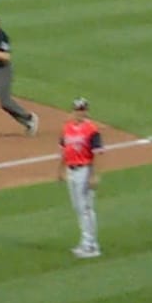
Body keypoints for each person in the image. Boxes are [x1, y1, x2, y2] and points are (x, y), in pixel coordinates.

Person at [58, 97, 102, 258]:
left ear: (87, 111)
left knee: (86, 209)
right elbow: (64, 150)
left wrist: (94, 175)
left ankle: (91, 245)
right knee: (78, 208)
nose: (80, 113)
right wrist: (60, 170)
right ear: (73, 111)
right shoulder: (67, 128)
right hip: (71, 170)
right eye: (77, 110)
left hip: (85, 170)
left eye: (82, 110)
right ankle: (85, 242)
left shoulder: (92, 130)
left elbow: (97, 154)